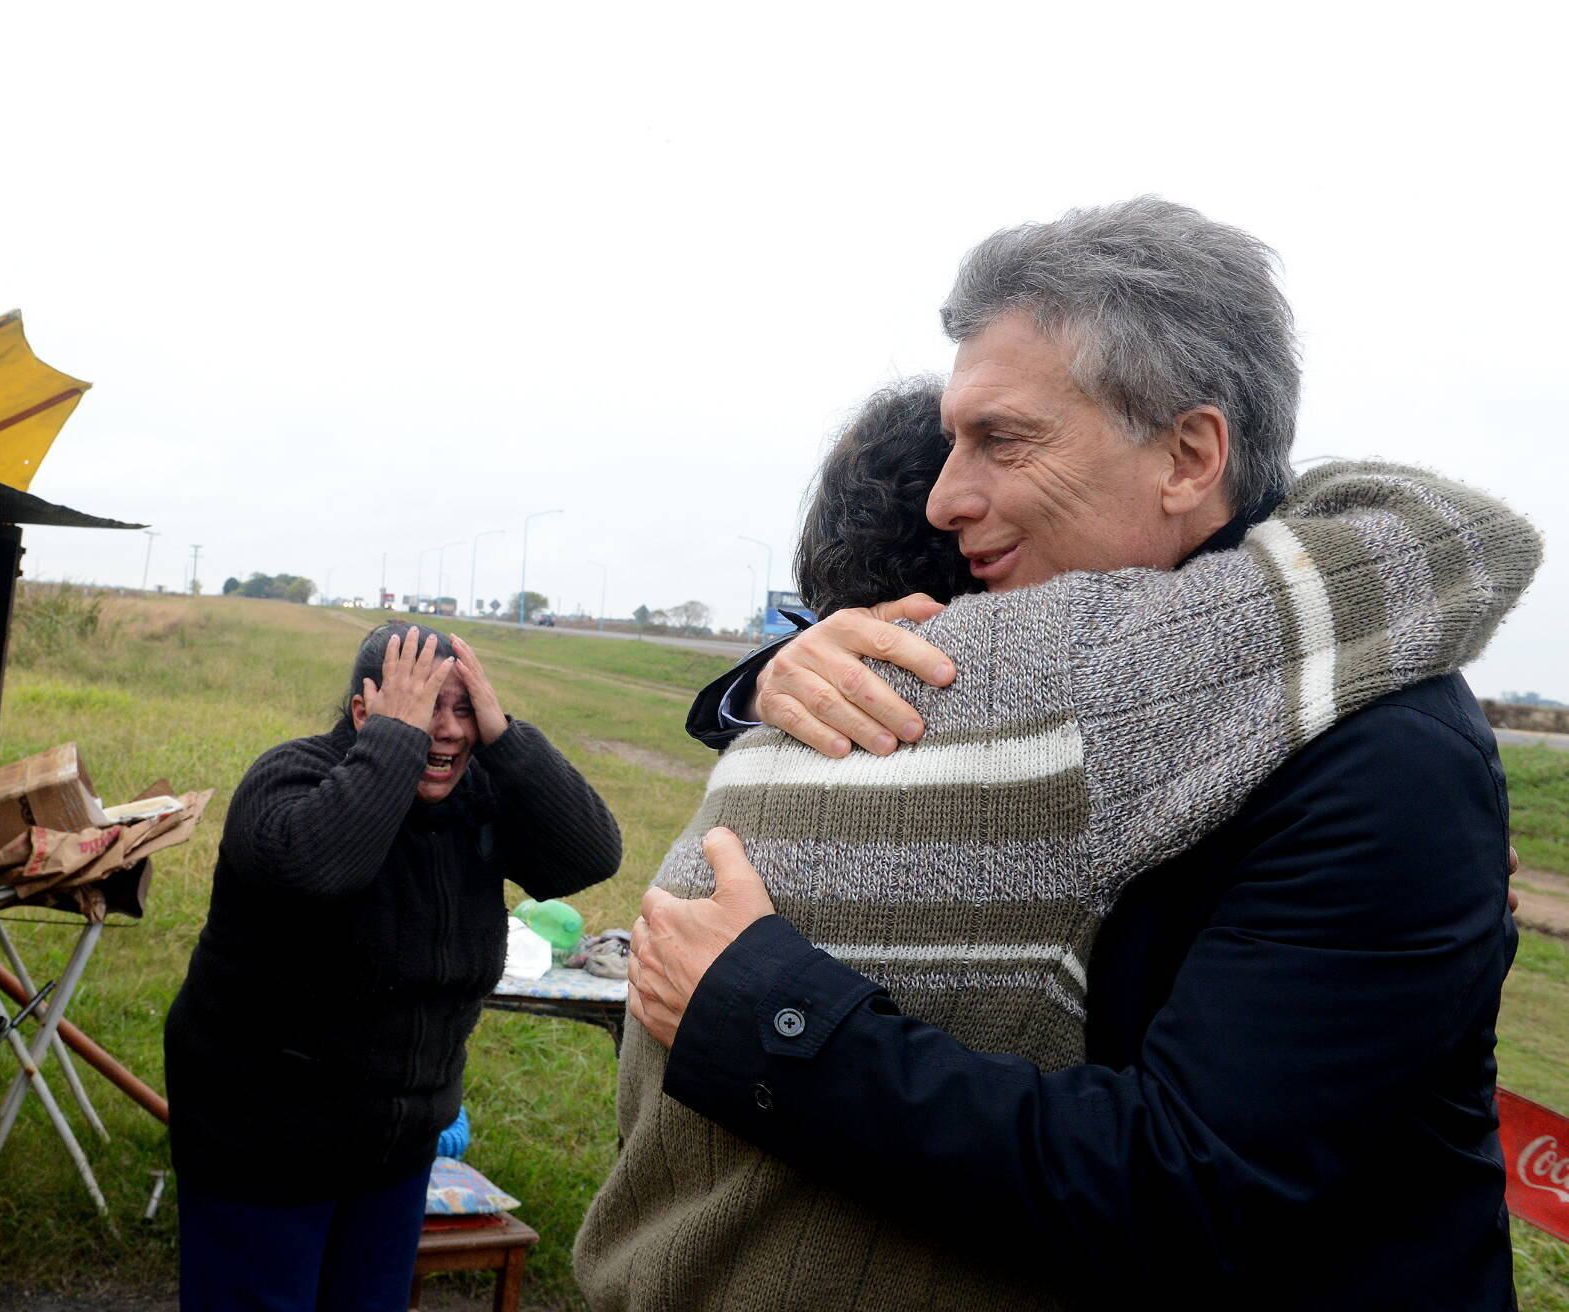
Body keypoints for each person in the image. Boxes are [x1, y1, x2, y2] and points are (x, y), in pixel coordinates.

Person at [622, 199, 1536, 1307]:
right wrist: (768, 681)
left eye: (1000, 440)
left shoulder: (1381, 756)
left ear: (1189, 455)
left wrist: (770, 1016)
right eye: (955, 440)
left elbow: (1193, 1189)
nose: (943, 496)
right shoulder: (1069, 662)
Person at [164, 623, 621, 1310]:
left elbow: (589, 856)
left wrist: (507, 739)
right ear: (362, 716)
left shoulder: (475, 804)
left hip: (394, 1149)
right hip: (262, 1142)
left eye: (462, 709)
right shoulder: (288, 781)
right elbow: (321, 868)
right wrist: (393, 742)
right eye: (423, 707)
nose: (446, 731)